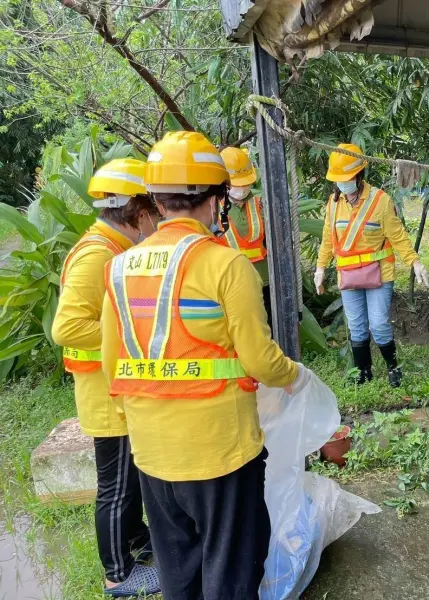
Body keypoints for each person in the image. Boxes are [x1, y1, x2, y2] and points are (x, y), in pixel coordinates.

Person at [100, 131, 307, 600]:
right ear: (216, 201)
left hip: (152, 452)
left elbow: (113, 362)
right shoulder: (226, 265)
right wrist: (295, 376)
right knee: (231, 570)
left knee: (179, 571)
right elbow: (259, 359)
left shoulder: (119, 268)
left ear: (155, 198)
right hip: (221, 451)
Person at [51, 158, 161, 597]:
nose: (155, 215)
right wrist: (127, 334)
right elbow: (67, 328)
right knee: (115, 487)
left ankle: (135, 540)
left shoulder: (113, 247)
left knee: (130, 477)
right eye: (150, 206)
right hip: (104, 393)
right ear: (134, 210)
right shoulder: (97, 254)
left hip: (116, 387)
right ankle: (118, 574)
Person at [314, 143, 429, 388]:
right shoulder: (333, 203)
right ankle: (363, 374)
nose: (342, 184)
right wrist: (320, 267)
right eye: (339, 180)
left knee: (378, 323)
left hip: (379, 273)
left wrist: (415, 263)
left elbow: (398, 236)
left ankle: (393, 367)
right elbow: (327, 237)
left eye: (346, 179)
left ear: (359, 175)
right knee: (356, 326)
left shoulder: (380, 201)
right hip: (348, 275)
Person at [218, 146, 271, 327]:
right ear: (225, 183)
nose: (242, 188)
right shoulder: (213, 208)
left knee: (266, 327)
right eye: (237, 184)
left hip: (263, 279)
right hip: (233, 280)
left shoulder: (260, 204)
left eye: (245, 183)